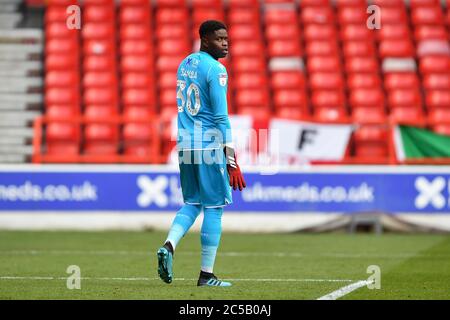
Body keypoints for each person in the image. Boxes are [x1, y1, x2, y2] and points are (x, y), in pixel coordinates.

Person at [156, 20, 246, 287]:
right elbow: (221, 117)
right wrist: (232, 161)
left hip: (184, 145)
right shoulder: (217, 69)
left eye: (227, 39)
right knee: (214, 207)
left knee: (193, 202)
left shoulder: (184, 64)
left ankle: (169, 245)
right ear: (205, 40)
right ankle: (206, 275)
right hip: (208, 146)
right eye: (219, 39)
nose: (226, 43)